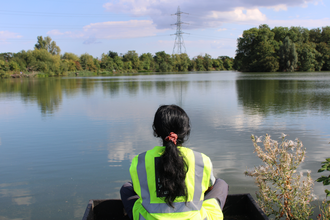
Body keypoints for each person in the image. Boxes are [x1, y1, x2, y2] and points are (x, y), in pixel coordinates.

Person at [120, 105, 228, 220]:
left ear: (156, 131)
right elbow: (209, 188)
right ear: (186, 131)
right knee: (220, 184)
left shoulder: (140, 160)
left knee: (127, 188)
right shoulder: (201, 159)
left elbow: (137, 189)